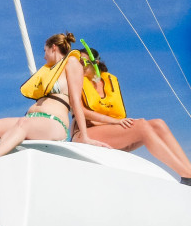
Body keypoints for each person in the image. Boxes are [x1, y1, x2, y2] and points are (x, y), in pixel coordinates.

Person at [0, 32, 108, 181]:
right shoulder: (50, 71)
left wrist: (85, 137)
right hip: (33, 120)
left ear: (53, 47)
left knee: (23, 124)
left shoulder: (72, 63)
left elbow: (76, 102)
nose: (44, 56)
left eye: (45, 50)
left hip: (54, 123)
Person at [73, 47, 191, 185]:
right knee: (141, 125)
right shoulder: (76, 81)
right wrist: (116, 122)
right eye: (78, 62)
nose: (79, 65)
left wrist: (117, 123)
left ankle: (189, 172)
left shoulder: (108, 81)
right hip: (84, 134)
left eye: (83, 62)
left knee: (158, 123)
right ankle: (186, 175)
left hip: (111, 133)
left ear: (96, 63)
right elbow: (81, 111)